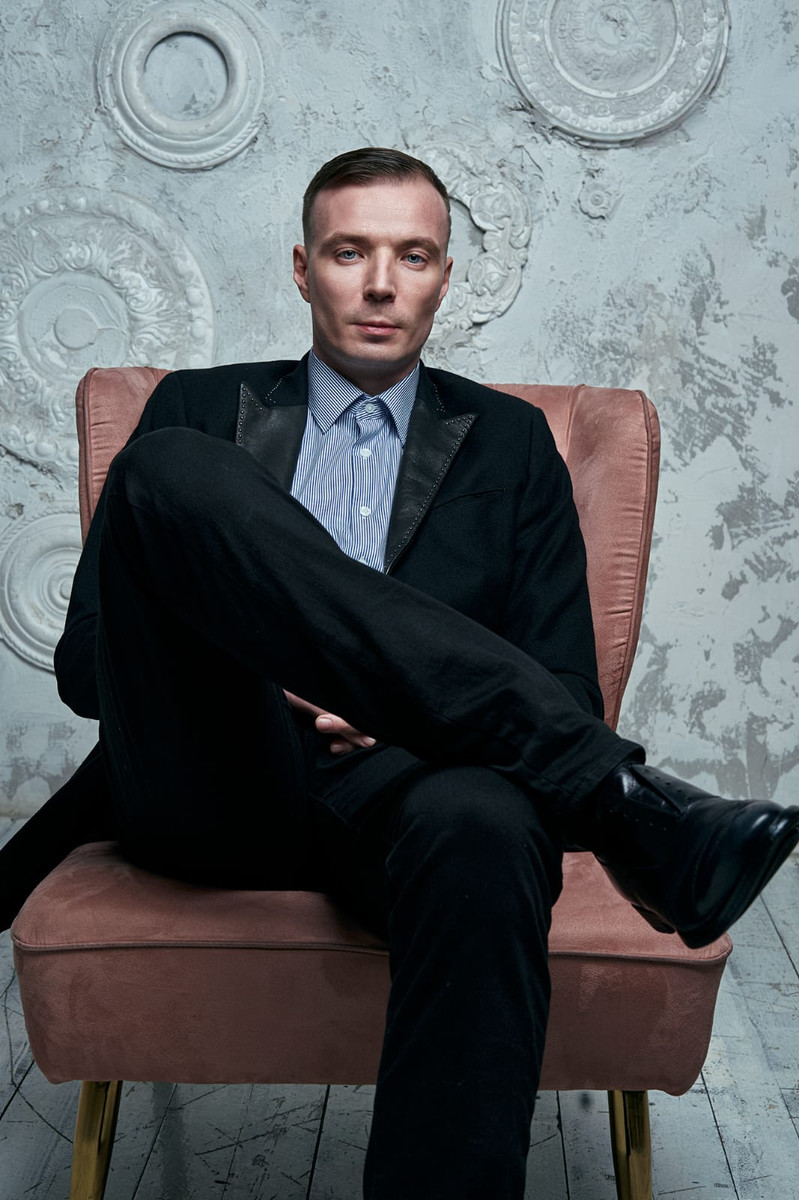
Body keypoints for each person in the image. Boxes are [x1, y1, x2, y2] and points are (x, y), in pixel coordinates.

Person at [2, 147, 797, 1199]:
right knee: (166, 471)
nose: (380, 283)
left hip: (410, 786)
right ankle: (621, 799)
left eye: (412, 256)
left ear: (444, 277)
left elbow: (564, 688)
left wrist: (399, 704)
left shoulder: (512, 443)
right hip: (212, 774)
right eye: (349, 252)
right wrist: (288, 666)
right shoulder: (193, 410)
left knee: (490, 827)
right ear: (302, 268)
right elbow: (88, 666)